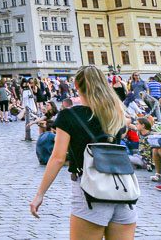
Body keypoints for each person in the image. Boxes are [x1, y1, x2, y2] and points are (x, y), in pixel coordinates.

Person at [30, 66, 135, 239]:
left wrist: (40, 194)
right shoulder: (116, 113)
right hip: (123, 191)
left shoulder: (69, 116)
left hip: (90, 192)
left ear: (77, 86)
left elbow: (57, 158)